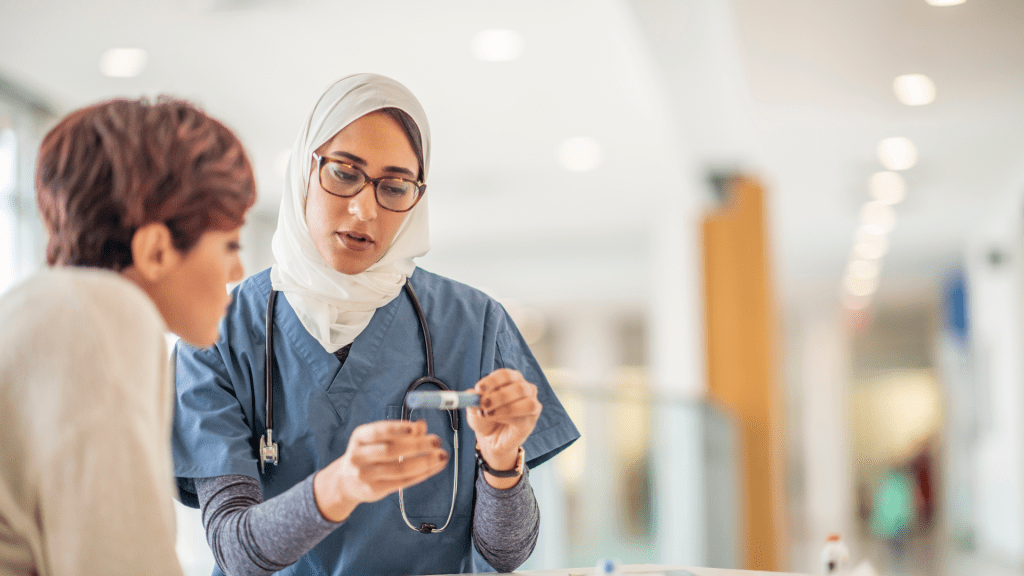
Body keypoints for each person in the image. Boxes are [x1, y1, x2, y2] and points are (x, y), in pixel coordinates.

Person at [171, 73, 580, 576]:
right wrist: (340, 486)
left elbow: (507, 552)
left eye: (395, 186)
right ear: (305, 168)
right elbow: (233, 550)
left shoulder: (475, 324)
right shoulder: (217, 332)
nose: (365, 209)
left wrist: (501, 462)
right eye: (344, 173)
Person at [0, 98, 256, 575]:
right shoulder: (104, 315)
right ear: (156, 250)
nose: (238, 270)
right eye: (229, 244)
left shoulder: (34, 308)